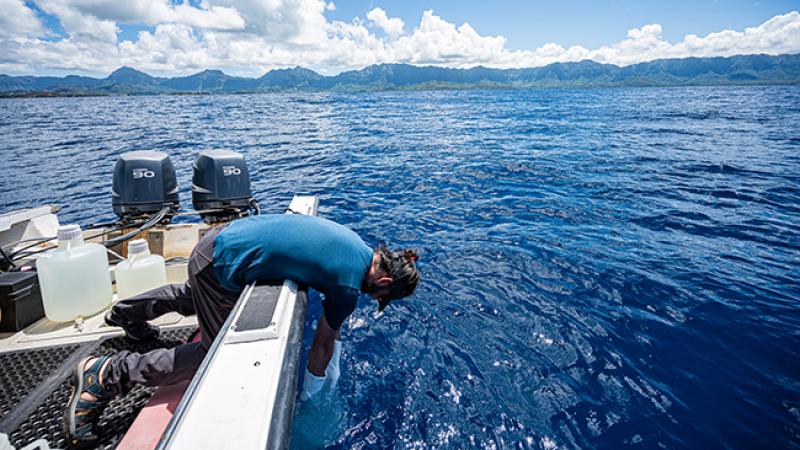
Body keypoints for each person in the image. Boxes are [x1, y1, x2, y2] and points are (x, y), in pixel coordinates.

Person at [64, 213, 420, 447]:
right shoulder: (348, 286)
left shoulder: (357, 246)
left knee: (196, 294)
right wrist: (312, 395)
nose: (371, 298)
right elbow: (323, 345)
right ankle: (108, 374)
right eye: (380, 296)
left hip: (222, 241)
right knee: (214, 355)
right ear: (384, 280)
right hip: (217, 264)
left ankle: (127, 313)